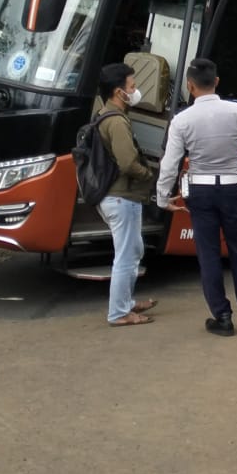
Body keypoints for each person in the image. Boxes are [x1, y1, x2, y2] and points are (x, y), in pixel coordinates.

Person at [155, 58, 237, 336]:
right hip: (233, 188)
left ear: (189, 86)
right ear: (217, 81)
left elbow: (170, 163)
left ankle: (222, 316)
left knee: (208, 254)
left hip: (201, 190)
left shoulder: (182, 120)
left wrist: (162, 196)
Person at [95, 62, 157, 327]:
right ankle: (119, 312)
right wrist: (149, 175)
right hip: (123, 197)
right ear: (119, 92)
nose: (136, 90)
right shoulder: (117, 123)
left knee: (132, 250)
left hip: (114, 196)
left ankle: (126, 302)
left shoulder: (103, 114)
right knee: (126, 256)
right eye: (132, 86)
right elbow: (128, 163)